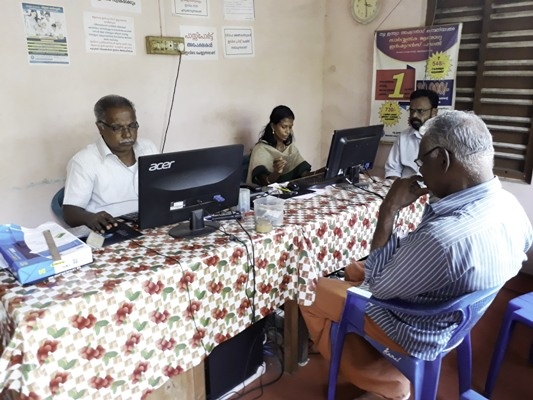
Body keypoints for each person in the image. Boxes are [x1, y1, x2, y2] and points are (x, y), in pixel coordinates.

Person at [300, 110, 533, 400]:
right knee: (352, 269)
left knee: (309, 289)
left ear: (444, 160)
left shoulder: (444, 238)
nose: (419, 171)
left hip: (416, 328)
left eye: (422, 161)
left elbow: (378, 288)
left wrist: (389, 210)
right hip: (458, 315)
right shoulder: (512, 207)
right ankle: (359, 344)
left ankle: (390, 384)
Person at [63, 95, 159, 233]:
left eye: (132, 126)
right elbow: (70, 211)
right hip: (111, 229)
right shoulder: (84, 161)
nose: (127, 135)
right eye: (118, 128)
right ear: (101, 127)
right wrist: (90, 218)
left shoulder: (148, 148)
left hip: (151, 223)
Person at [246, 105, 311, 186]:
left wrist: (324, 171)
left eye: (290, 127)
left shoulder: (290, 148)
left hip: (292, 193)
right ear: (273, 126)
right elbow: (264, 183)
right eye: (284, 127)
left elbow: (303, 174)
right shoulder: (260, 149)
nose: (288, 131)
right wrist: (276, 173)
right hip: (270, 197)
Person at [384, 89, 439, 179]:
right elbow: (392, 170)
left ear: (434, 112)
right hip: (406, 188)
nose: (414, 116)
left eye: (420, 111)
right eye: (412, 110)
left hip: (432, 190)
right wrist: (398, 190)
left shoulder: (444, 138)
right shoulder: (403, 137)